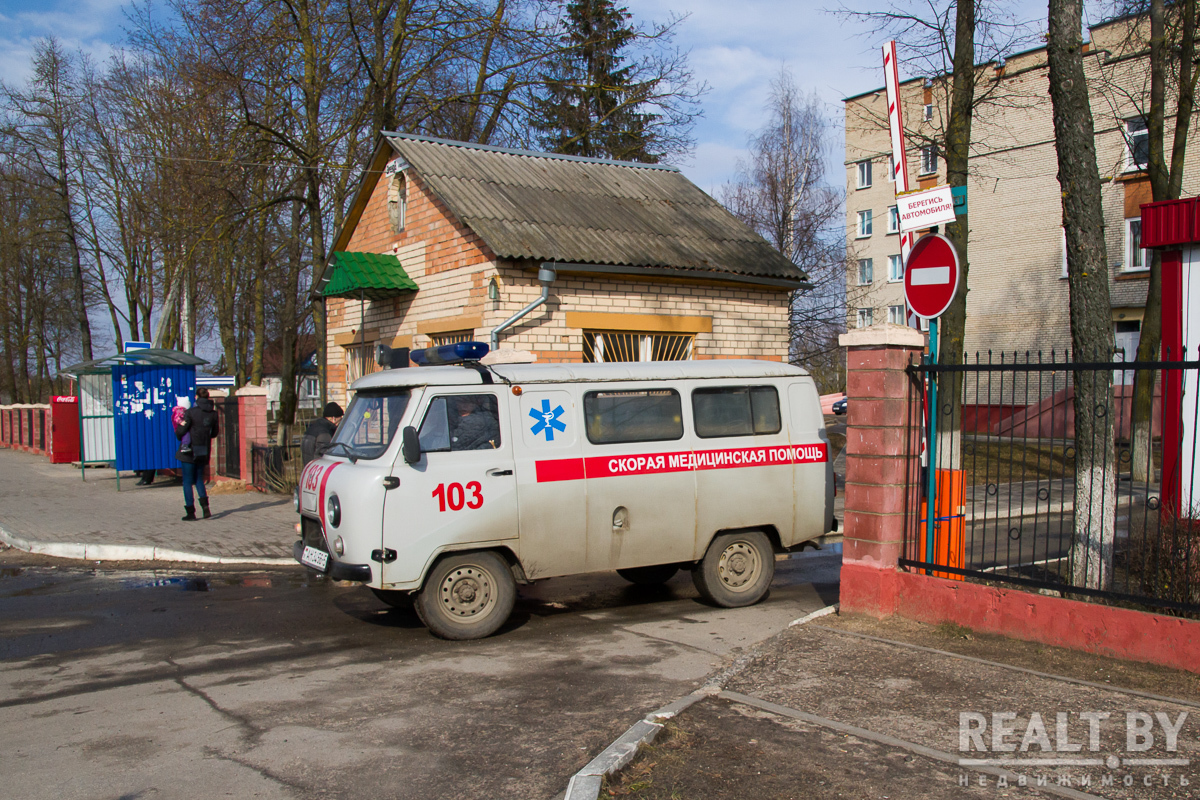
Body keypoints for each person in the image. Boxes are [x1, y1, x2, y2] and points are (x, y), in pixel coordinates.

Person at [176, 388, 220, 521]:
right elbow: (214, 433)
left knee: (187, 482)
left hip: (189, 450)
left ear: (196, 397)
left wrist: (179, 428)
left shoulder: (190, 412)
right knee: (199, 479)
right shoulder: (213, 414)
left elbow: (181, 432)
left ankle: (191, 512)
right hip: (203, 449)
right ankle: (205, 508)